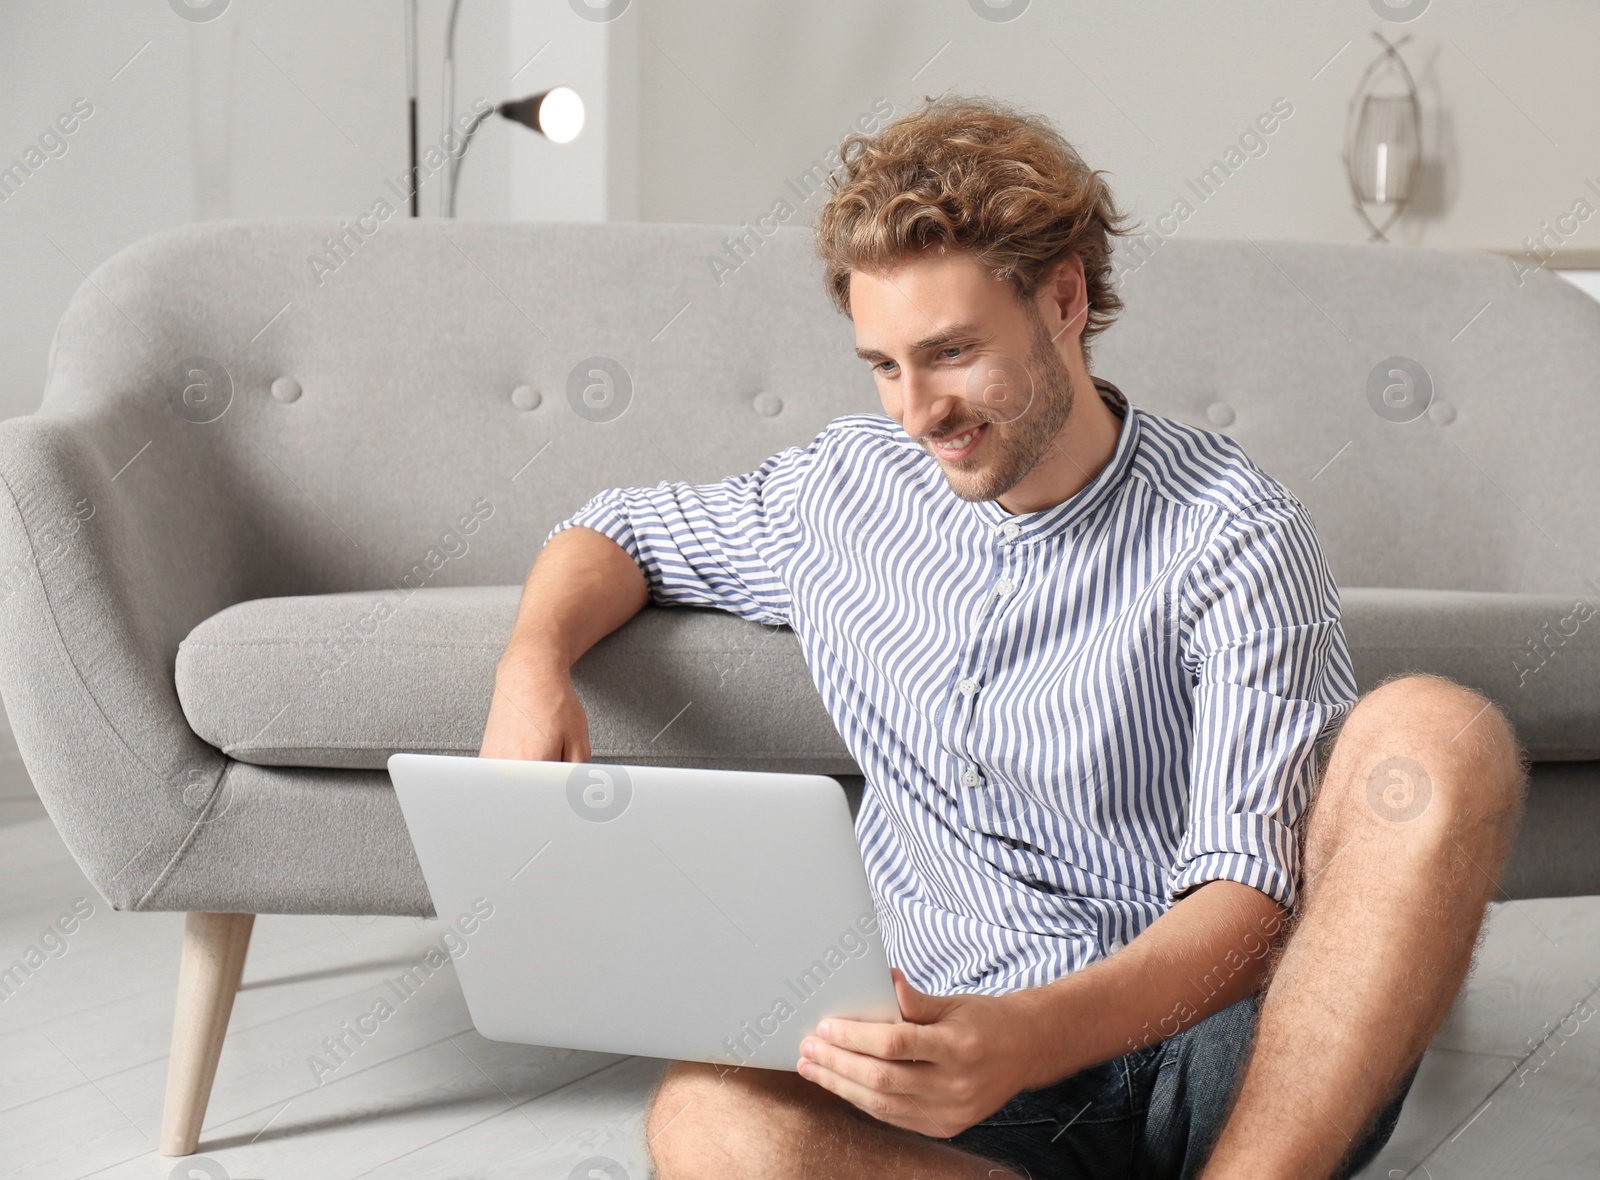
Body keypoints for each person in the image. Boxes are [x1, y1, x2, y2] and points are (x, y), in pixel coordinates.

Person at [478, 96, 1527, 1180]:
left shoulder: (1228, 530)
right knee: (708, 1119)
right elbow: (616, 530)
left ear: (1063, 297)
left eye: (949, 352)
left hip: (1214, 1059)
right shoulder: (846, 488)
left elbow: (1249, 903)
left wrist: (1027, 1033)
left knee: (1440, 734)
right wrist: (532, 663)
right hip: (945, 1061)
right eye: (883, 365)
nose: (916, 410)